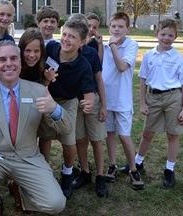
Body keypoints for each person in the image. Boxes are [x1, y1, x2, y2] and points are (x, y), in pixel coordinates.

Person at [0, 40, 70, 215]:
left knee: (56, 204)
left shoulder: (39, 91)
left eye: (13, 58)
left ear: (20, 63)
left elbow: (66, 129)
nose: (8, 64)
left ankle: (22, 196)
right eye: (2, 59)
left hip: (28, 157)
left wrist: (55, 110)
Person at [39, 18, 95, 199]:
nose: (66, 39)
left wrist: (89, 103)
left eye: (72, 37)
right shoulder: (51, 49)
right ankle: (45, 171)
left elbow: (88, 93)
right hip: (49, 95)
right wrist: (46, 77)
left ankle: (67, 172)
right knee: (45, 136)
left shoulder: (83, 65)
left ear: (82, 42)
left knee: (68, 140)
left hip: (68, 101)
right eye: (64, 34)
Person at [135, 19, 183, 188]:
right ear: (156, 34)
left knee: (172, 135)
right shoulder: (149, 56)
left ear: (175, 37)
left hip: (173, 98)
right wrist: (143, 103)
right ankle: (137, 163)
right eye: (163, 34)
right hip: (153, 98)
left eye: (170, 35)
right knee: (147, 133)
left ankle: (169, 170)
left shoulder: (178, 58)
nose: (166, 38)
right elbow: (143, 80)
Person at [65, 15, 108, 198]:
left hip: (93, 100)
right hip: (75, 102)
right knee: (80, 139)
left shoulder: (90, 53)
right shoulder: (63, 51)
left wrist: (104, 106)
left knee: (97, 139)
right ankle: (84, 171)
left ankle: (100, 175)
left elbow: (99, 79)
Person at [102, 12, 144, 190]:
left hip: (122, 99)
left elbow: (121, 67)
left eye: (120, 26)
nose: (116, 29)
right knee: (109, 134)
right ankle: (112, 165)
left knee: (124, 135)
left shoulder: (131, 45)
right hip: (107, 98)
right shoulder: (104, 45)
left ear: (127, 28)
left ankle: (133, 169)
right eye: (113, 26)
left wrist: (112, 46)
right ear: (109, 27)